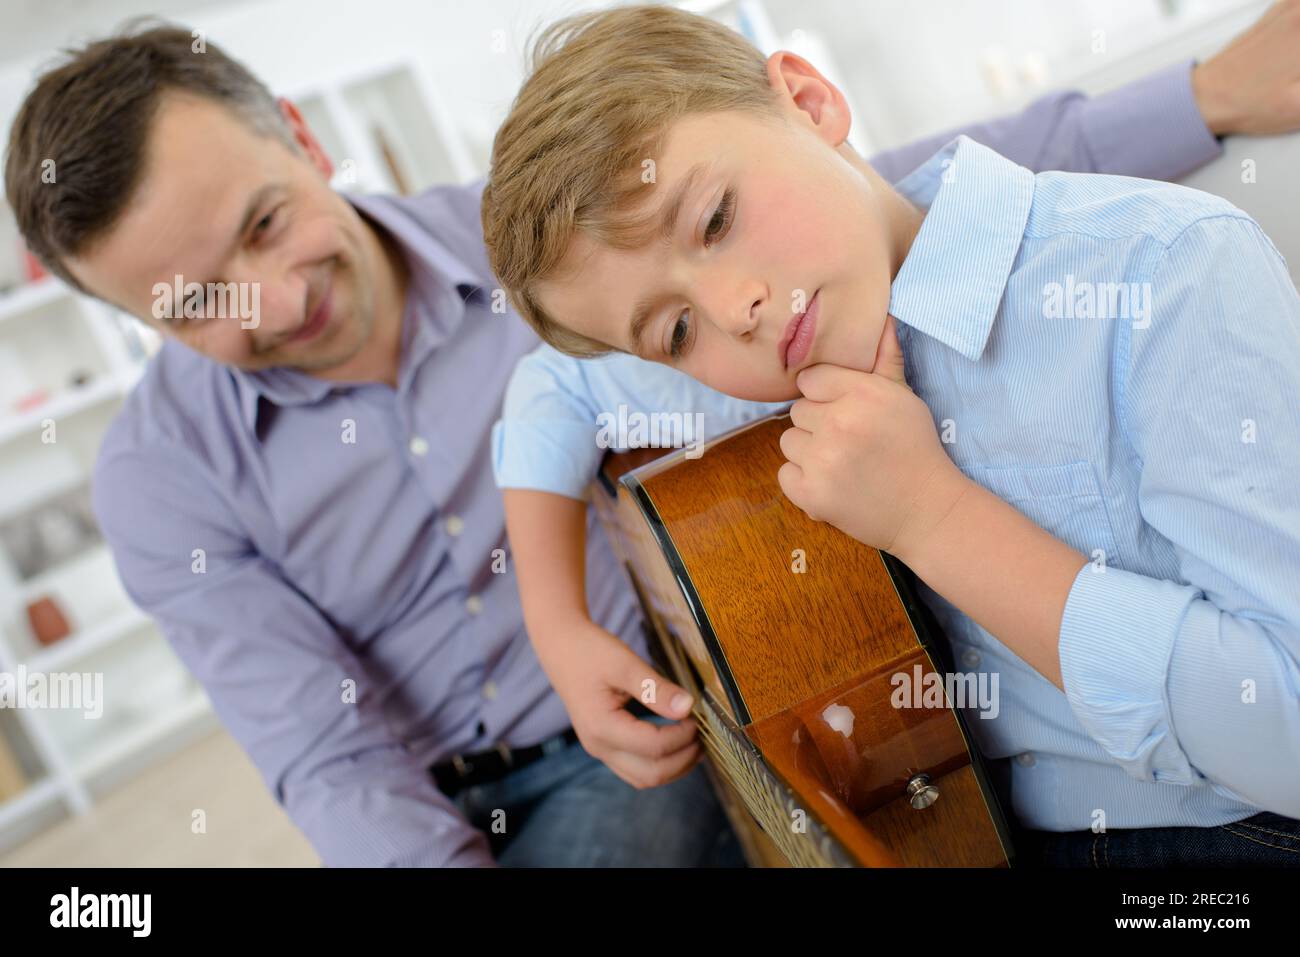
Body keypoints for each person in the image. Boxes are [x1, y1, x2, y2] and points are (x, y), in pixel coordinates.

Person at [3, 3, 1295, 866]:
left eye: (266, 223)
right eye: (194, 304)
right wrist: (563, 640)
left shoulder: (577, 247)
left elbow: (895, 189)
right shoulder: (161, 480)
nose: (279, 301)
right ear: (124, 320)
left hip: (751, 721)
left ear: (304, 138)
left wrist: (1203, 93)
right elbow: (323, 753)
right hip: (476, 788)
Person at [483, 3, 1300, 866]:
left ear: (808, 100)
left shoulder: (1159, 273)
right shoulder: (776, 358)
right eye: (676, 332)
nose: (734, 312)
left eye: (716, 219)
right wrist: (558, 628)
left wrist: (932, 519)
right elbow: (555, 380)